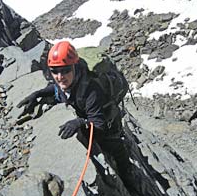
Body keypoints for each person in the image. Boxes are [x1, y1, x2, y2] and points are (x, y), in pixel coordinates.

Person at [17, 41, 130, 176]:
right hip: (89, 111)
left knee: (116, 149)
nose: (60, 76)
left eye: (65, 70)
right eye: (55, 71)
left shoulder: (91, 89)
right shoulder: (67, 78)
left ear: (74, 67)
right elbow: (57, 88)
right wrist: (38, 94)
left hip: (107, 121)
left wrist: (80, 122)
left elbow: (99, 125)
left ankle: (129, 176)